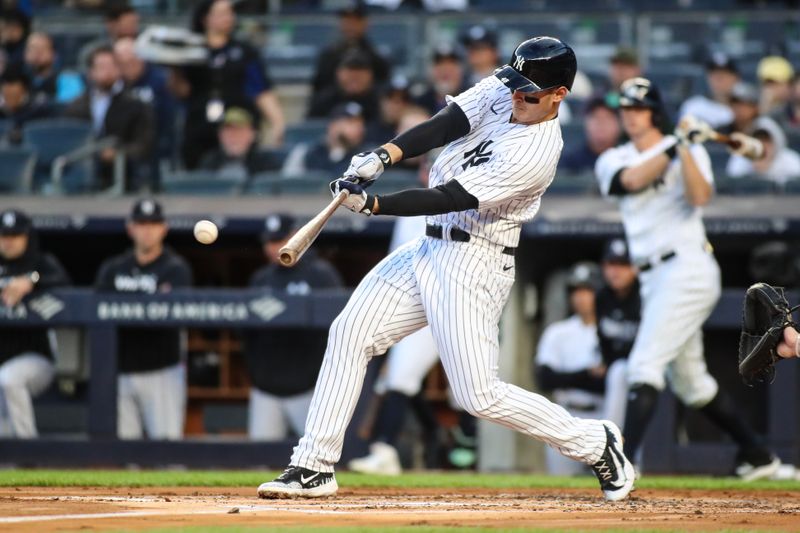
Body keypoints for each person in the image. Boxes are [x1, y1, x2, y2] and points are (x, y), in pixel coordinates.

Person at [257, 36, 635, 502]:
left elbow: (450, 196)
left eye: (530, 91)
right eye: (515, 83)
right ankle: (313, 465)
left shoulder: (536, 153)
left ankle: (597, 442)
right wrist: (383, 156)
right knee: (349, 333)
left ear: (559, 95)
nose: (517, 94)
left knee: (479, 396)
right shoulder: (506, 88)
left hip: (474, 261)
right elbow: (445, 124)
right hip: (427, 248)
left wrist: (374, 203)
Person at [594, 77, 780, 481]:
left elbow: (699, 197)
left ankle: (623, 462)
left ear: (655, 112)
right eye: (626, 108)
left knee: (643, 364)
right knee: (692, 384)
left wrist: (687, 149)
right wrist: (677, 144)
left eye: (639, 108)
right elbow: (629, 181)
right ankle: (759, 454)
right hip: (652, 277)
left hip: (688, 269)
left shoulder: (687, 149)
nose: (631, 115)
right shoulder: (614, 158)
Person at [94, 199, 192, 440]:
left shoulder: (176, 268)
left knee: (167, 450)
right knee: (126, 453)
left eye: (153, 223)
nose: (147, 230)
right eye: (141, 223)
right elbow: (95, 309)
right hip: (120, 370)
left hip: (163, 369)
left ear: (164, 228)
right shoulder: (113, 268)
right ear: (130, 228)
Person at [243, 214, 343, 441]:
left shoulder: (321, 275)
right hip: (265, 390)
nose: (274, 248)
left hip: (311, 390)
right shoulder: (261, 279)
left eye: (280, 240)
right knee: (259, 462)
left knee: (318, 459)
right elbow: (247, 335)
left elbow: (338, 328)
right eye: (270, 242)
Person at [173, 0, 285, 168]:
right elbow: (182, 91)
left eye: (230, 13)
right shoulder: (190, 50)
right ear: (205, 18)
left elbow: (260, 88)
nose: (228, 18)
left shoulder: (244, 51)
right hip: (199, 126)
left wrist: (277, 121)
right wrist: (174, 68)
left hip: (238, 125)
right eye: (221, 13)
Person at [0, 209, 70, 438]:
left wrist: (31, 281)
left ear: (27, 237)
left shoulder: (41, 262)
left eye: (15, 236)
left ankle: (26, 450)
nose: (8, 241)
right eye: (4, 235)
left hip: (36, 358)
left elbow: (64, 283)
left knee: (8, 378)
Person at [535, 262, 606, 476]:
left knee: (606, 484)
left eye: (587, 290)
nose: (581, 297)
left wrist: (570, 378)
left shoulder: (611, 331)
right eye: (576, 291)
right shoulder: (558, 332)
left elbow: (607, 382)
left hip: (603, 413)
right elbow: (545, 378)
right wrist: (586, 375)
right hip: (566, 414)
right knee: (561, 486)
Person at [64, 45, 154, 191]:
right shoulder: (76, 107)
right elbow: (68, 140)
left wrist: (119, 153)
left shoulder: (136, 105)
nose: (107, 72)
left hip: (126, 175)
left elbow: (143, 144)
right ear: (91, 72)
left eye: (112, 66)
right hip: (82, 173)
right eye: (101, 67)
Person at [113, 36, 176, 182]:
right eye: (123, 64)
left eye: (133, 61)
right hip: (125, 142)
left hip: (157, 140)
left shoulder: (159, 81)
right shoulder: (115, 85)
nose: (129, 67)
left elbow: (168, 116)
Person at [594, 238, 638, 430]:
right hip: (617, 368)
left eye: (623, 264)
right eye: (611, 264)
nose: (615, 271)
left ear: (635, 267)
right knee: (617, 371)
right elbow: (602, 336)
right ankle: (611, 443)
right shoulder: (602, 297)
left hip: (646, 368)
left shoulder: (645, 294)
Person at [310, 1, 389, 95]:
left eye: (355, 20)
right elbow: (318, 89)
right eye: (347, 20)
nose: (351, 25)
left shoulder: (377, 57)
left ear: (365, 23)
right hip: (334, 106)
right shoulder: (328, 56)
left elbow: (385, 90)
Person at [283, 101, 368, 178]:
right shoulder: (305, 152)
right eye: (351, 123)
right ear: (333, 126)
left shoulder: (368, 157)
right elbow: (289, 184)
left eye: (361, 124)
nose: (359, 128)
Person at [198, 107, 282, 180]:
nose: (234, 137)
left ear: (252, 135)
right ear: (220, 135)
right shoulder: (210, 161)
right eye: (229, 131)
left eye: (240, 131)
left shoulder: (266, 163)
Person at [307, 49, 380, 121]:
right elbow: (310, 127)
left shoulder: (381, 100)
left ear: (370, 75)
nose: (354, 77)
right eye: (349, 72)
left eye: (360, 73)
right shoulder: (323, 100)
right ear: (338, 73)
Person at [726, 117, 800, 187]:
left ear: (776, 142)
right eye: (758, 140)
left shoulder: (791, 161)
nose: (762, 145)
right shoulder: (740, 159)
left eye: (766, 140)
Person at [559, 96, 621, 174]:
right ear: (586, 123)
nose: (601, 123)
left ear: (619, 124)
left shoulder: (628, 158)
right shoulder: (570, 161)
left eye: (608, 118)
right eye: (596, 117)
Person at [678, 52, 738, 129]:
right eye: (714, 75)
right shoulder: (694, 106)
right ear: (708, 77)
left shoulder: (746, 108)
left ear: (736, 78)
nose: (719, 79)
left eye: (724, 74)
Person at [23, 31, 85, 106]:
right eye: (32, 48)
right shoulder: (17, 79)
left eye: (42, 49)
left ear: (54, 54)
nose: (37, 53)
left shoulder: (67, 79)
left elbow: (68, 108)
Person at [413, 43, 468, 116]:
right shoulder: (418, 103)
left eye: (451, 64)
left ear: (461, 70)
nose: (445, 70)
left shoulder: (471, 99)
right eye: (440, 64)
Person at [0, 66, 50, 145]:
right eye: (5, 85)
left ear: (24, 89)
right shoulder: (2, 113)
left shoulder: (38, 110)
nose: (7, 90)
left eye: (12, 84)